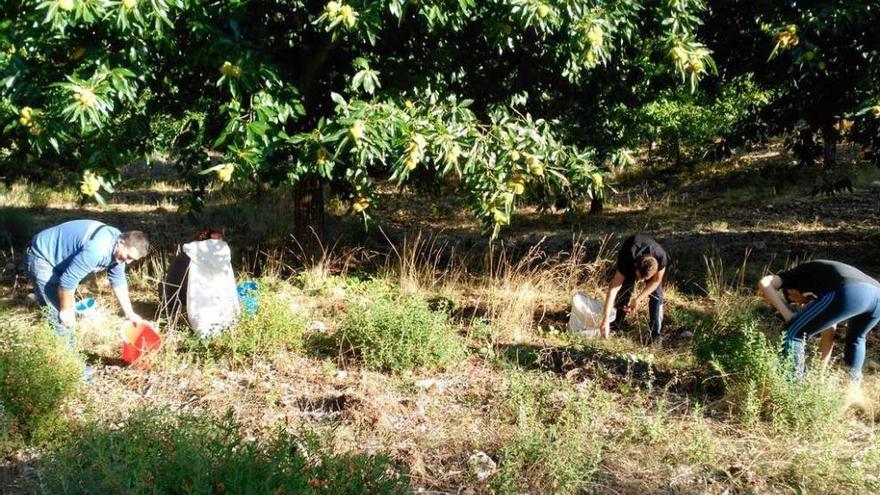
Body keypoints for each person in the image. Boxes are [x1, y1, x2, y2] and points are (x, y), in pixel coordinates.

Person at [25, 219, 150, 346]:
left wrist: (130, 313)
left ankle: (68, 355)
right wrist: (65, 310)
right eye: (128, 256)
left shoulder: (118, 249)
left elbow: (118, 280)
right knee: (60, 318)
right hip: (42, 257)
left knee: (67, 317)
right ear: (121, 242)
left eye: (132, 260)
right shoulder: (98, 249)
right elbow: (68, 281)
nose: (128, 262)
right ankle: (69, 363)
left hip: (59, 263)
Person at [758, 259, 880, 383]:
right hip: (876, 295)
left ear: (790, 291)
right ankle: (852, 389)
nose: (801, 305)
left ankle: (794, 388)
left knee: (792, 333)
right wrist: (819, 375)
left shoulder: (792, 276)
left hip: (850, 290)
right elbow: (829, 334)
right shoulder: (822, 283)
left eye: (795, 302)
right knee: (856, 338)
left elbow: (765, 282)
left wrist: (788, 315)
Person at [598, 234, 668, 342]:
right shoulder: (626, 257)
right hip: (630, 253)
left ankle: (655, 336)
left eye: (645, 279)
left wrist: (638, 299)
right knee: (625, 286)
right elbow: (613, 289)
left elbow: (656, 281)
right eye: (640, 278)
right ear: (636, 268)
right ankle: (616, 322)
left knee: (657, 295)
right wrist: (605, 319)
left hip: (653, 257)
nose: (643, 282)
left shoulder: (661, 257)